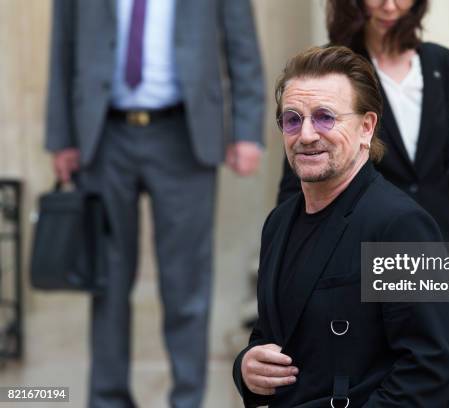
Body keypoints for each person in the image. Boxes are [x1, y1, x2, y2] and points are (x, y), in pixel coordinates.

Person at [277, 0, 449, 406]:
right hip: (376, 258)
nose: (390, 5)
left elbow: (432, 173)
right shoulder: (335, 74)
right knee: (403, 384)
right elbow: (301, 180)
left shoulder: (438, 61)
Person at [45, 0, 264, 407]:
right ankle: (108, 399)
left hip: (184, 135)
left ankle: (186, 399)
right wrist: (61, 137)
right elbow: (63, 47)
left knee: (187, 285)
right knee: (106, 281)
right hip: (104, 137)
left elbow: (243, 45)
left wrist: (247, 129)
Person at [233, 46, 449, 407]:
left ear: (366, 127)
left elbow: (429, 369)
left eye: (325, 117)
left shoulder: (400, 225)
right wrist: (246, 367)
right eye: (292, 119)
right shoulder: (278, 223)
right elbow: (272, 333)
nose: (306, 135)